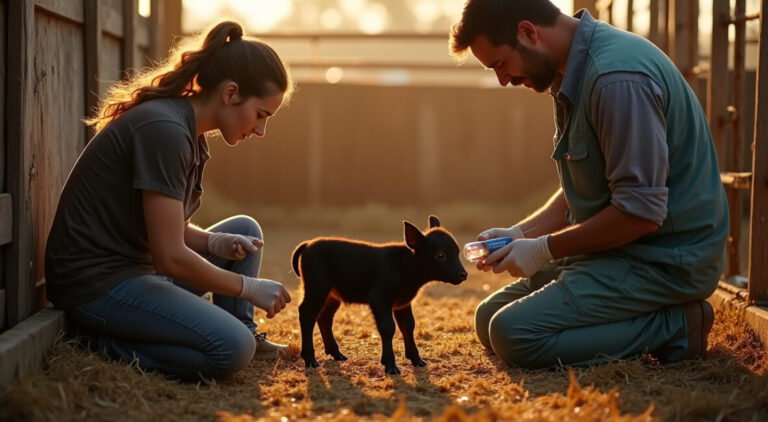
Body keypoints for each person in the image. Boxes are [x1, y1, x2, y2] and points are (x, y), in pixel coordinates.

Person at [449, 0, 728, 368]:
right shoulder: (570, 72)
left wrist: (543, 249)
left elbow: (640, 213)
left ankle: (676, 325)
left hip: (666, 259)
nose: (503, 80)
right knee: (489, 319)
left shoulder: (616, 79)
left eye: (501, 64)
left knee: (514, 334)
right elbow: (593, 185)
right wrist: (520, 233)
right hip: (620, 250)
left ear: (528, 32)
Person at [44, 20, 293, 380]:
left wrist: (214, 241)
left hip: (138, 270)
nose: (260, 130)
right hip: (97, 285)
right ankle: (98, 343)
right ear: (231, 93)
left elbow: (167, 228)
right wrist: (249, 288)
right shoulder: (164, 130)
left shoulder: (189, 133)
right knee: (231, 349)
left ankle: (243, 328)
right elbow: (170, 255)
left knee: (244, 230)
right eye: (260, 115)